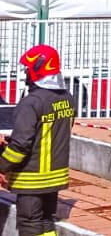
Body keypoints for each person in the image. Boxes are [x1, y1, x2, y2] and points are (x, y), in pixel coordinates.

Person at [0, 45, 76, 236]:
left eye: (27, 68)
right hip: (56, 176)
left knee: (30, 224)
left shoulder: (31, 103)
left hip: (32, 179)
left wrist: (2, 165)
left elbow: (20, 146)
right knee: (46, 222)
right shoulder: (68, 98)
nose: (25, 72)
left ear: (38, 68)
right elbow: (54, 131)